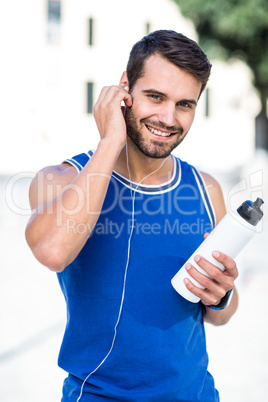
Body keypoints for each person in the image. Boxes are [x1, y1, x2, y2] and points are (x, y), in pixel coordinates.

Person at [25, 30, 239, 401]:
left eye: (184, 104)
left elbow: (221, 313)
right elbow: (52, 252)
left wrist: (221, 294)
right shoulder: (61, 180)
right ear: (124, 89)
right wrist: (111, 141)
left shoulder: (207, 190)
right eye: (155, 96)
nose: (168, 118)